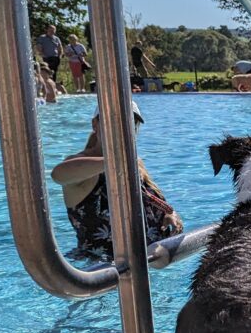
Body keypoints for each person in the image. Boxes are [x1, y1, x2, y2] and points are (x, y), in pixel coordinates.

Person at [51, 102, 184, 258]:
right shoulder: (85, 167)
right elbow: (58, 175)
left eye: (129, 123)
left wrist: (170, 215)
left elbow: (153, 201)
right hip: (102, 265)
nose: (121, 128)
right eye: (112, 122)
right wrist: (114, 161)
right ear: (95, 124)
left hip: (150, 260)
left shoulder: (135, 163)